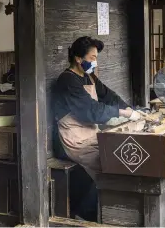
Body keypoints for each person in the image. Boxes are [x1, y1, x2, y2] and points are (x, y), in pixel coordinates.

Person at [53, 36, 144, 180]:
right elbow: (91, 111)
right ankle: (107, 200)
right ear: (78, 59)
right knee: (108, 163)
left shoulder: (89, 77)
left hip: (91, 134)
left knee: (120, 152)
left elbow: (109, 97)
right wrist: (123, 113)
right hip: (75, 141)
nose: (95, 62)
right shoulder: (67, 80)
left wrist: (131, 110)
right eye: (92, 58)